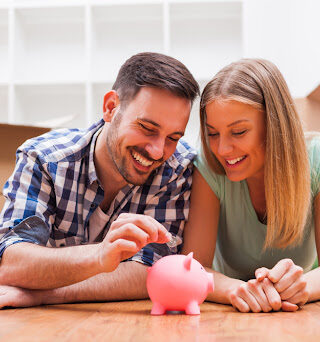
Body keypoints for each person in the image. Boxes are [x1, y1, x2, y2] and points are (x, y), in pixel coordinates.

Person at [0, 52, 199, 308]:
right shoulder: (45, 159)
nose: (158, 151)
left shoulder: (177, 169)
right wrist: (99, 256)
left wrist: (42, 294)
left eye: (173, 137)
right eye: (147, 129)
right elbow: (11, 263)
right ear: (110, 107)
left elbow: (151, 272)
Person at [182, 58, 320, 313]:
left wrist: (303, 286)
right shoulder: (208, 166)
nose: (222, 149)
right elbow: (193, 268)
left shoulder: (316, 159)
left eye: (238, 132)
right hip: (231, 312)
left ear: (275, 126)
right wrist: (237, 290)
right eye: (212, 133)